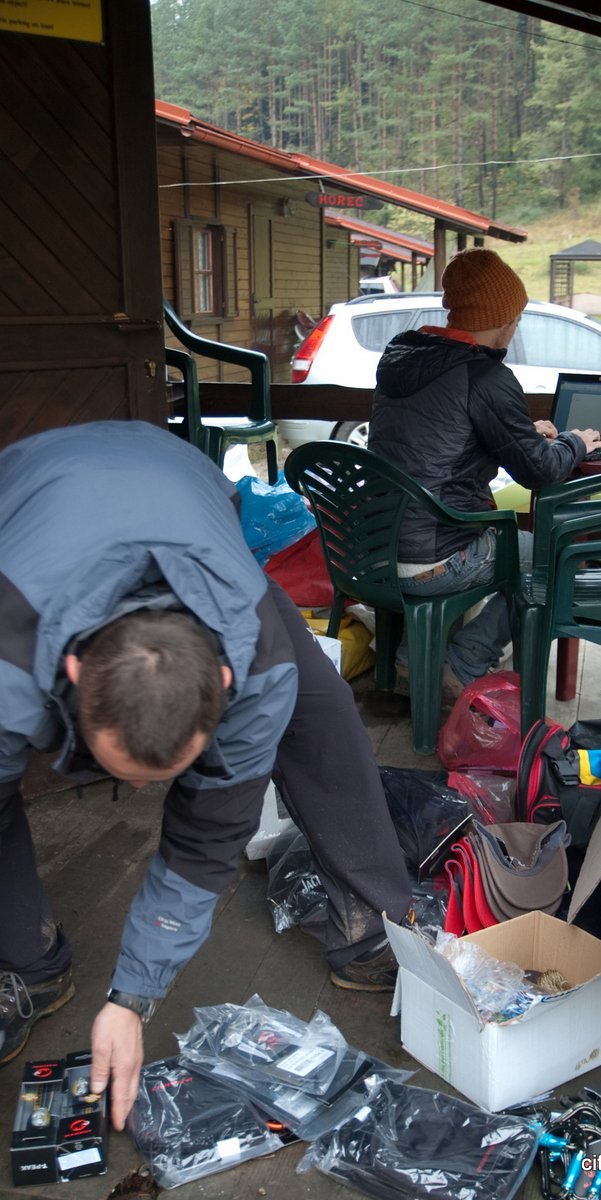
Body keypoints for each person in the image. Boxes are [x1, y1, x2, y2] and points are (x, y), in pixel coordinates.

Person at [0, 420, 412, 1131]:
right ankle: (28, 962)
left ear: (224, 682)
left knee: (320, 711)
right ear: (71, 671)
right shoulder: (9, 665)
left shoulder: (255, 664)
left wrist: (131, 1000)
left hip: (186, 499)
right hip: (29, 503)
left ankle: (374, 922)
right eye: (119, 770)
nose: (142, 793)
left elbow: (206, 839)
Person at [368, 247, 601, 697]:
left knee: (445, 521)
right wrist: (575, 442)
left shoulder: (401, 358)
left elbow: (435, 440)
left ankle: (410, 661)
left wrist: (521, 434)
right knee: (556, 555)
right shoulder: (484, 376)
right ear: (505, 318)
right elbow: (541, 472)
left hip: (369, 552)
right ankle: (465, 661)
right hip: (432, 560)